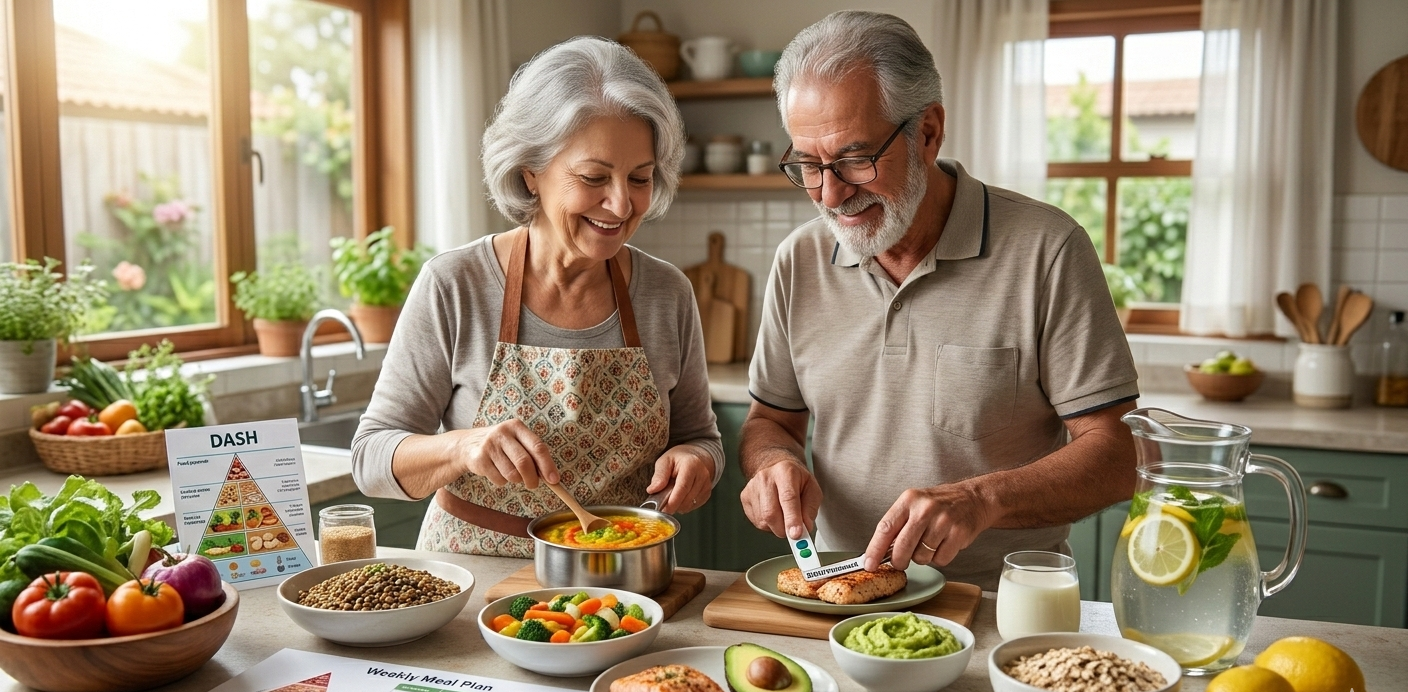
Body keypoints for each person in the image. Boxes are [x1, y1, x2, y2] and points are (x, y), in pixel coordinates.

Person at [740, 11, 1139, 590]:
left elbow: (1118, 453)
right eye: (808, 164)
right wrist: (773, 462)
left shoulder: (1047, 249)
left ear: (927, 132)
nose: (830, 194)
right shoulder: (798, 261)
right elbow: (769, 420)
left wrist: (985, 499)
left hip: (1000, 605)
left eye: (855, 158)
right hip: (840, 598)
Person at [352, 37, 722, 557]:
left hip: (622, 577)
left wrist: (697, 460)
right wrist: (463, 445)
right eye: (594, 177)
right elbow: (370, 458)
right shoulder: (455, 285)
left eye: (640, 178)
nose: (620, 204)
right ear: (531, 171)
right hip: (473, 572)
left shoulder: (667, 294)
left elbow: (702, 436)